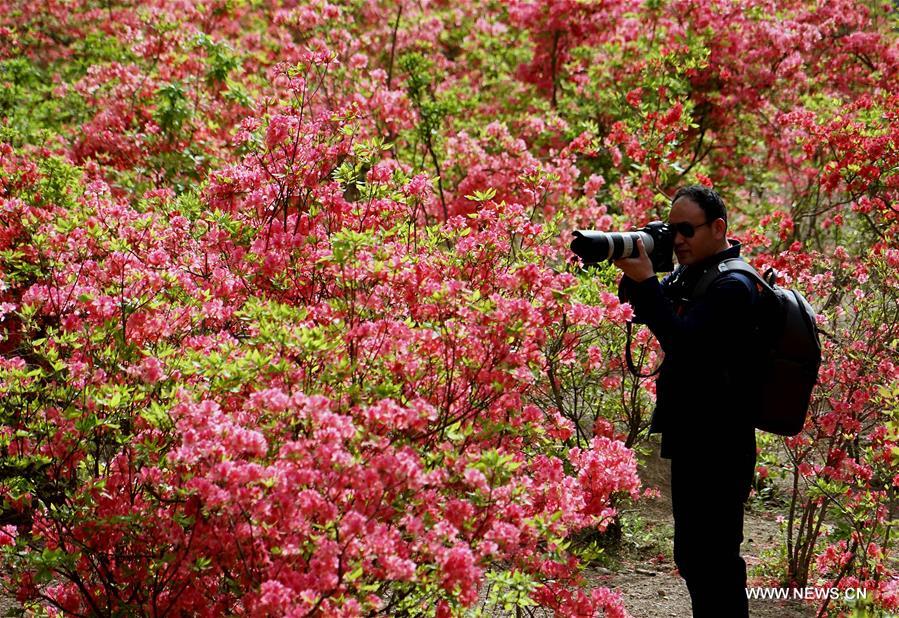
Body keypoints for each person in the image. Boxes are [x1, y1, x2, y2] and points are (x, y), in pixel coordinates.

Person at [613, 185, 758, 617]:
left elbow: (686, 344)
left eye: (687, 230)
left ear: (718, 228)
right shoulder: (694, 276)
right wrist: (640, 275)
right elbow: (638, 308)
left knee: (714, 560)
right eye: (672, 229)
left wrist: (647, 284)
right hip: (693, 437)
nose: (677, 239)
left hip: (722, 443)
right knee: (693, 558)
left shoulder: (733, 284)